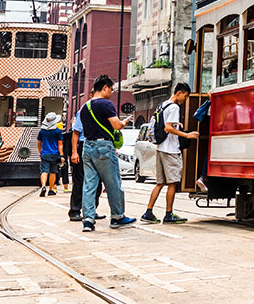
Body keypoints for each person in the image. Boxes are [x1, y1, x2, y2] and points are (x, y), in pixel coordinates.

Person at [79, 75, 135, 231]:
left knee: (89, 185)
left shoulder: (85, 107)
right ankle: (117, 217)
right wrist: (124, 122)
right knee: (113, 184)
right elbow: (116, 126)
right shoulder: (106, 104)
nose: (112, 92)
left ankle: (88, 221)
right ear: (104, 88)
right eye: (111, 89)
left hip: (87, 147)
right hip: (103, 147)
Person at [141, 83, 199, 224]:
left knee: (159, 183)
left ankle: (148, 212)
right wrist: (187, 135)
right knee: (172, 183)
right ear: (179, 93)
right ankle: (168, 214)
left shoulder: (163, 105)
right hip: (171, 150)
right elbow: (168, 128)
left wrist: (175, 126)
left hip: (160, 148)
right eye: (184, 97)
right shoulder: (174, 107)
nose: (184, 100)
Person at [68, 88, 103, 222]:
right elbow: (75, 132)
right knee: (80, 180)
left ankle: (91, 210)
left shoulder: (103, 110)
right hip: (83, 145)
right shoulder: (84, 110)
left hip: (97, 147)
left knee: (98, 181)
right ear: (91, 95)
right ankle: (75, 210)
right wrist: (74, 152)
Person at [37, 113, 63, 197]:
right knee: (53, 172)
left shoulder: (42, 131)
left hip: (45, 153)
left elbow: (39, 142)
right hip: (55, 154)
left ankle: (43, 186)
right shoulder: (57, 131)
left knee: (44, 171)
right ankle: (51, 189)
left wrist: (40, 151)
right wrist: (62, 155)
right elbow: (60, 144)